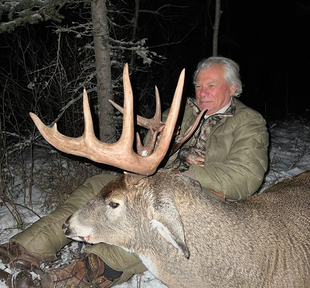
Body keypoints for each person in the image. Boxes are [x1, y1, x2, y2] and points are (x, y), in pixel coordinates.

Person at [0, 56, 269, 288]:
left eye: (212, 85)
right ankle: (23, 248)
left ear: (233, 88)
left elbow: (247, 176)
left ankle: (82, 273)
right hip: (157, 184)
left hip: (205, 200)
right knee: (100, 185)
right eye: (198, 85)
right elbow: (149, 145)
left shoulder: (249, 122)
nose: (202, 92)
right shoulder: (181, 113)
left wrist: (187, 176)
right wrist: (143, 156)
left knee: (146, 224)